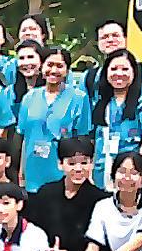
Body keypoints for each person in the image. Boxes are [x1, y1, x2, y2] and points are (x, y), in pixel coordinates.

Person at [26, 137, 109, 251]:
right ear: (60, 164)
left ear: (92, 163)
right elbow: (33, 230)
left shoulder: (101, 199)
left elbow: (102, 241)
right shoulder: (46, 193)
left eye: (84, 163)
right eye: (71, 163)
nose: (78, 169)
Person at [17, 47, 91, 193]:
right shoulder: (29, 97)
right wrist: (21, 172)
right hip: (33, 171)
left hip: (62, 173)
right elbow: (25, 138)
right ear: (41, 67)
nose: (54, 70)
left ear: (67, 70)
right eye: (49, 65)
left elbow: (83, 140)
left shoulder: (79, 98)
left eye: (59, 66)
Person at [90, 49, 142, 188]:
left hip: (131, 174)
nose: (119, 73)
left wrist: (136, 170)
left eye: (125, 69)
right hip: (102, 170)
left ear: (134, 72)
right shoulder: (100, 100)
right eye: (113, 69)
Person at [82, 20, 142, 98]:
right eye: (104, 37)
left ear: (125, 39)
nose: (110, 40)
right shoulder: (89, 76)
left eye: (115, 35)